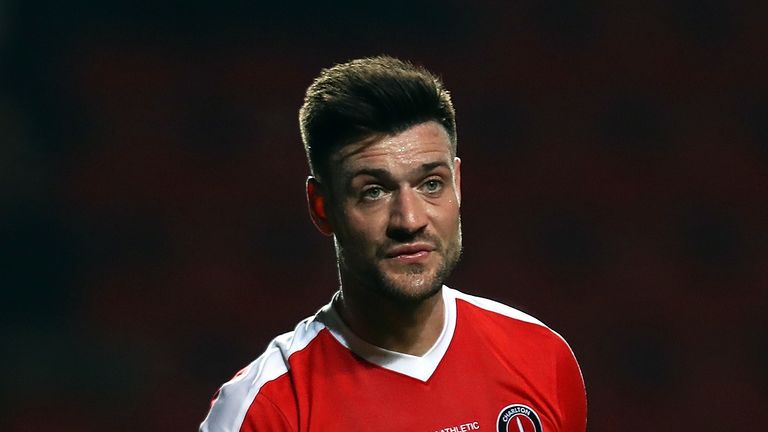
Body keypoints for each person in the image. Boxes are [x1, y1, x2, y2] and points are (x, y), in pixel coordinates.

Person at [200, 56, 587, 432]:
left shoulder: (541, 357)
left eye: (431, 184)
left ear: (457, 183)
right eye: (373, 191)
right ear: (322, 207)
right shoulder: (265, 411)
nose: (410, 220)